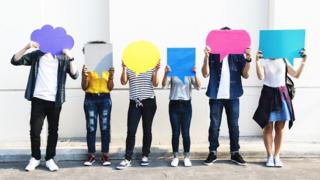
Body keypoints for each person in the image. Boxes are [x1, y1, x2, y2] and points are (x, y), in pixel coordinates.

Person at [11, 42, 78, 171]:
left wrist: (71, 57)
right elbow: (15, 61)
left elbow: (75, 75)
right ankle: (35, 158)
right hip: (38, 99)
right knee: (35, 131)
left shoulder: (63, 57)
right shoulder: (37, 55)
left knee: (53, 131)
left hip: (55, 101)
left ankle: (49, 159)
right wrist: (26, 46)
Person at [202, 27, 251, 166]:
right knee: (214, 125)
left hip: (233, 95)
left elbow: (246, 75)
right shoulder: (213, 53)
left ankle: (235, 153)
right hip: (215, 95)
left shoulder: (237, 54)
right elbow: (205, 73)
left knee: (234, 126)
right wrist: (205, 57)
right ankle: (212, 152)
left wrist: (248, 59)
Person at [253, 49, 307, 167]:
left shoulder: (283, 59)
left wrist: (304, 61)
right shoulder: (264, 60)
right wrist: (257, 61)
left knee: (280, 128)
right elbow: (261, 76)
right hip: (267, 94)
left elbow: (296, 75)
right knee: (267, 127)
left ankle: (277, 156)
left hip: (282, 93)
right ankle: (269, 156)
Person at [116, 61, 160, 170]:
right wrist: (124, 68)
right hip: (134, 102)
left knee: (147, 129)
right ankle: (127, 159)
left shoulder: (150, 66)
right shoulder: (130, 66)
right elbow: (123, 82)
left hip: (149, 102)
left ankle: (145, 155)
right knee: (131, 131)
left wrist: (156, 70)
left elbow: (155, 84)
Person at [81, 42, 114, 166]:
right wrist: (85, 76)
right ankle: (91, 155)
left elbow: (110, 88)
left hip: (105, 98)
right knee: (91, 127)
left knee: (105, 127)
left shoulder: (107, 67)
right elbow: (84, 87)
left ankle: (105, 155)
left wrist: (111, 77)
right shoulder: (87, 67)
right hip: (90, 98)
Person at [162, 65, 201, 167]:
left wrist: (195, 74)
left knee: (186, 133)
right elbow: (164, 85)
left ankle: (186, 157)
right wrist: (166, 73)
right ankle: (175, 157)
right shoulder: (172, 72)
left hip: (186, 105)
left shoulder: (189, 73)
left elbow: (198, 87)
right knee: (175, 133)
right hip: (174, 105)